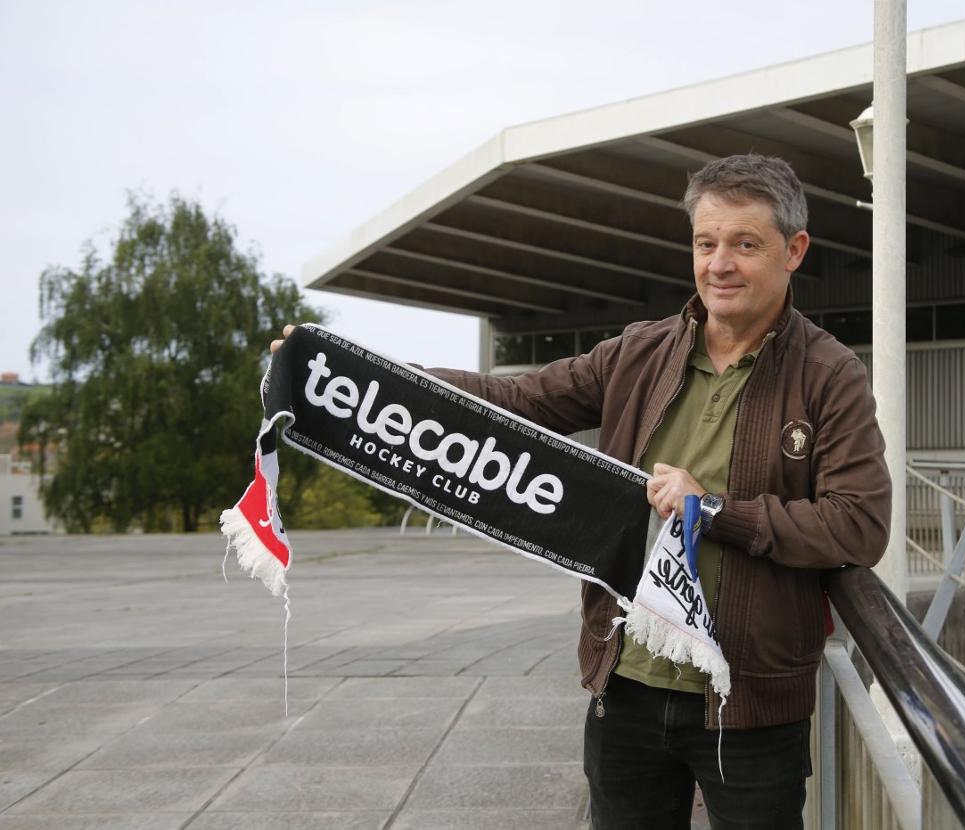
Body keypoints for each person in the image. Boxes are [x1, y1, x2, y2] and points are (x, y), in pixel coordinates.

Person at [271, 153, 890, 828]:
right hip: (625, 686)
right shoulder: (637, 353)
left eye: (746, 244)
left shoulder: (831, 374)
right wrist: (362, 376)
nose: (720, 264)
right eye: (706, 243)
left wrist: (711, 510)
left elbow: (858, 524)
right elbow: (512, 399)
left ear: (794, 250)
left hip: (748, 703)